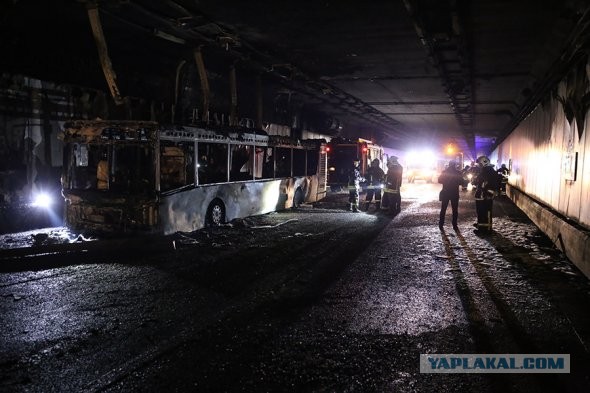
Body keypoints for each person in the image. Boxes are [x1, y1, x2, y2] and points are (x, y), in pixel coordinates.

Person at [473, 155, 501, 231]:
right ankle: (484, 226)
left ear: (483, 163)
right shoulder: (491, 171)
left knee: (482, 211)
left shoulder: (485, 172)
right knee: (486, 211)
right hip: (487, 195)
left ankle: (483, 228)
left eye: (480, 164)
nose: (479, 165)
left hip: (483, 195)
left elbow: (479, 182)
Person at [438, 160, 463, 230]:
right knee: (455, 210)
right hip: (454, 193)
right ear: (455, 165)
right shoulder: (458, 173)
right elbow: (461, 182)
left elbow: (439, 180)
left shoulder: (444, 172)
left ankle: (441, 224)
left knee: (443, 209)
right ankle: (454, 225)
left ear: (449, 164)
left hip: (446, 192)